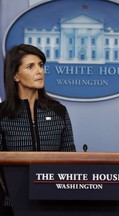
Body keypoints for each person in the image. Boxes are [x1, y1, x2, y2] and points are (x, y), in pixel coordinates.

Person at [0, 44, 76, 215]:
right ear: (15, 76)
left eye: (41, 65)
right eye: (30, 66)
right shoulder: (2, 114)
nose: (40, 71)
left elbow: (70, 157)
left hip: (54, 202)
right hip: (11, 205)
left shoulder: (58, 111)